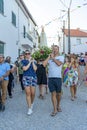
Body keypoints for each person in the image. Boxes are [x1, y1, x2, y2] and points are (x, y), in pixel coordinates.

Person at [43, 45, 64, 116]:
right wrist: (49, 57)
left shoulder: (61, 57)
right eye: (53, 49)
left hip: (58, 78)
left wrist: (53, 58)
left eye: (56, 49)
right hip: (51, 78)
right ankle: (55, 109)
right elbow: (44, 64)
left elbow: (58, 64)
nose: (54, 50)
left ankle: (58, 105)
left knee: (58, 94)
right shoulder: (50, 58)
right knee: (53, 94)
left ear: (58, 50)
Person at [21, 50, 37, 115]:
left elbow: (35, 69)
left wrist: (32, 62)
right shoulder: (22, 61)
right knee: (28, 93)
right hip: (26, 77)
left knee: (33, 93)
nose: (27, 55)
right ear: (25, 55)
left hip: (33, 77)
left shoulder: (34, 61)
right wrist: (29, 62)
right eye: (26, 54)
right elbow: (25, 69)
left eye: (29, 53)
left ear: (30, 54)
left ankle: (32, 103)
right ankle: (29, 108)